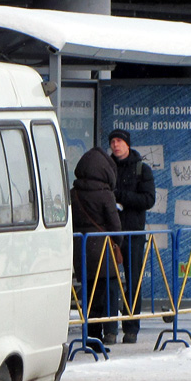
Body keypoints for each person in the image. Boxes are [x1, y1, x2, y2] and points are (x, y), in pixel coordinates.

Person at [71, 148, 122, 349]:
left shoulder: (73, 193)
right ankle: (108, 333)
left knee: (89, 293)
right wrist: (119, 244)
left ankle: (91, 335)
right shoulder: (105, 194)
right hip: (103, 252)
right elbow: (115, 225)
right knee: (107, 292)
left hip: (81, 251)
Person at [108, 128, 156, 343]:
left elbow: (148, 200)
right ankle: (109, 328)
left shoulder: (142, 169)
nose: (115, 145)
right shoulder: (107, 168)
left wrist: (121, 197)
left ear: (127, 144)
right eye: (112, 141)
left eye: (119, 141)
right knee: (108, 280)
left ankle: (131, 327)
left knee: (133, 280)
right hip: (110, 232)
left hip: (133, 232)